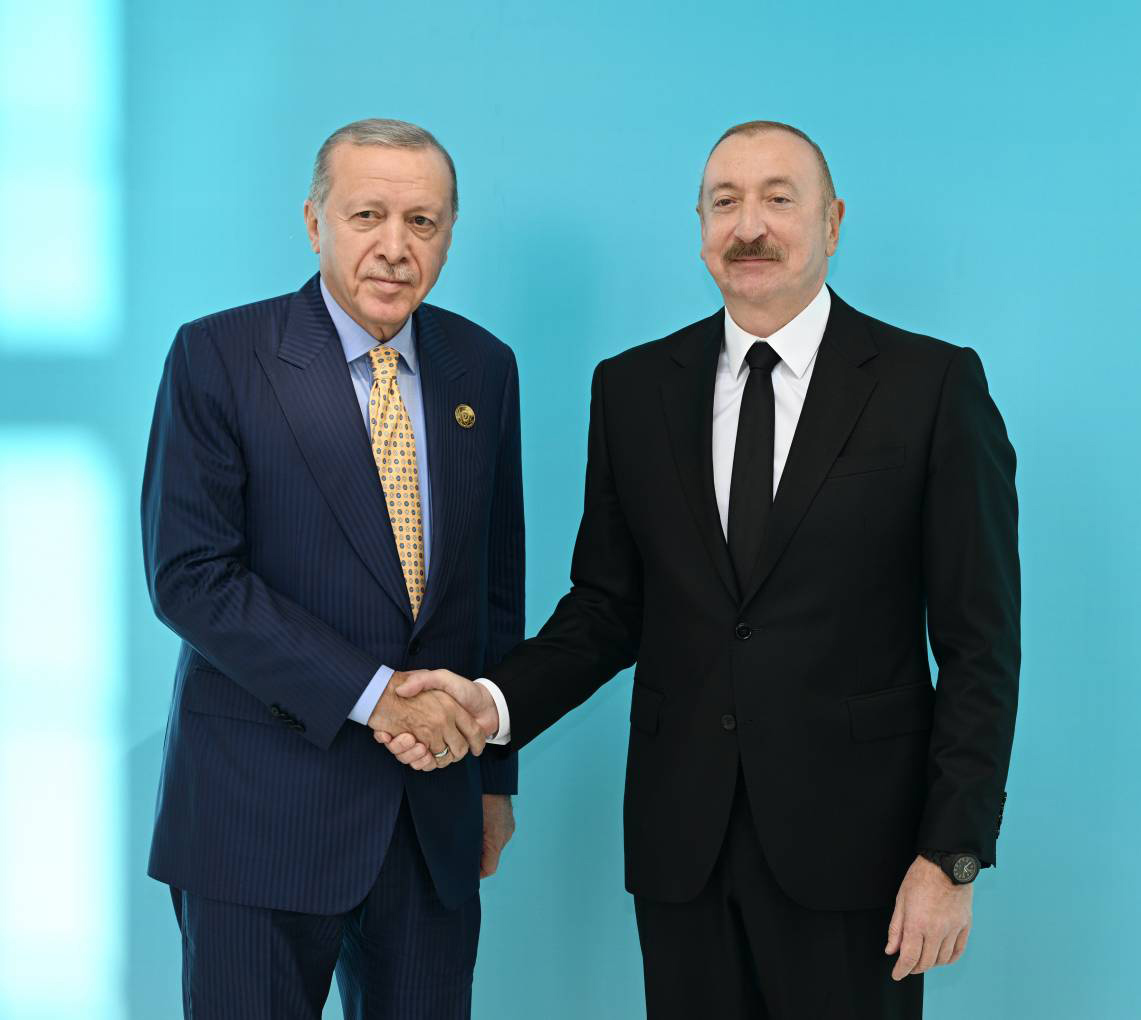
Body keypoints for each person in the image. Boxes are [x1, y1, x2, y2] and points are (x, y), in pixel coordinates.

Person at [384, 121, 1020, 1019]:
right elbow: (606, 609)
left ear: (832, 222)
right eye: (725, 202)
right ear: (699, 227)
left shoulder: (931, 386)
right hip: (682, 849)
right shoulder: (632, 388)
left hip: (860, 855)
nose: (748, 226)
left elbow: (979, 647)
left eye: (777, 199)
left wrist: (950, 856)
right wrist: (490, 706)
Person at [141, 118, 523, 1019]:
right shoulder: (219, 355)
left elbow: (492, 590)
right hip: (258, 815)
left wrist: (493, 781)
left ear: (449, 234)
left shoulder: (482, 366)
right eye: (366, 216)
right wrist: (376, 695)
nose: (394, 247)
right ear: (315, 222)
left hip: (431, 817)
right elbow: (191, 576)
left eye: (422, 222)